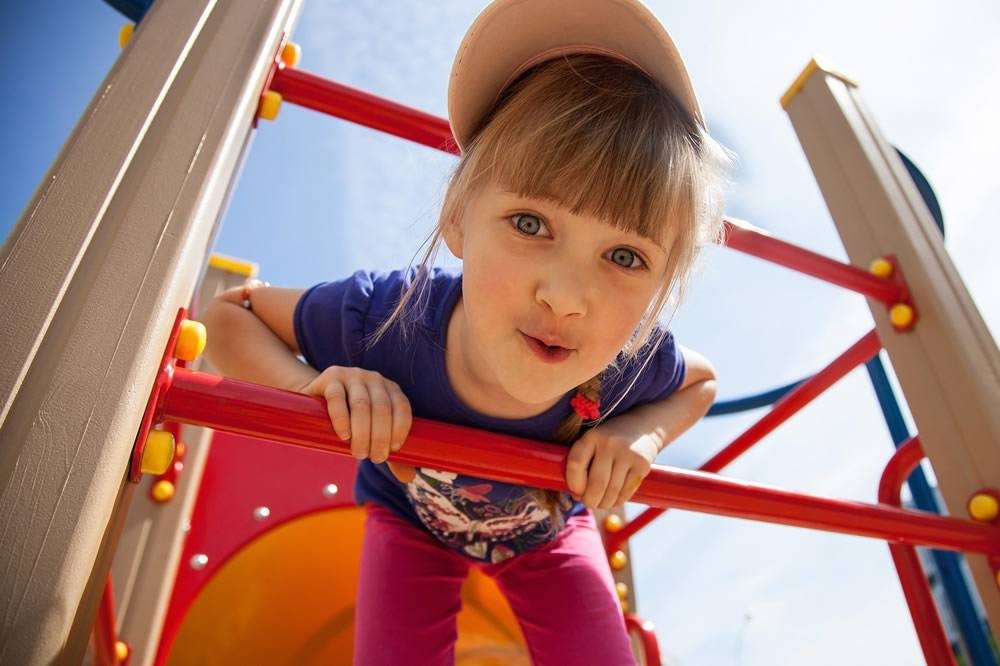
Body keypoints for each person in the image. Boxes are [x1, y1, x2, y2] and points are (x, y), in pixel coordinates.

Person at [202, 0, 731, 663]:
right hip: (412, 522)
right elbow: (230, 315)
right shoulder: (387, 319)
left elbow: (701, 383)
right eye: (531, 223)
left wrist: (640, 432)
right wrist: (314, 387)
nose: (566, 298)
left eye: (625, 257)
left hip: (546, 533)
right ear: (457, 216)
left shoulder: (624, 362)